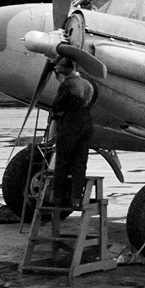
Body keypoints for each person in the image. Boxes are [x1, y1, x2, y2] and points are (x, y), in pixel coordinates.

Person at [48, 57, 97, 209]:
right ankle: (76, 198)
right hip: (87, 122)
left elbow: (57, 106)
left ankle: (57, 197)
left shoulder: (68, 85)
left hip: (71, 123)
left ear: (65, 70)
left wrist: (55, 111)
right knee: (80, 163)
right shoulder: (88, 83)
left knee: (62, 162)